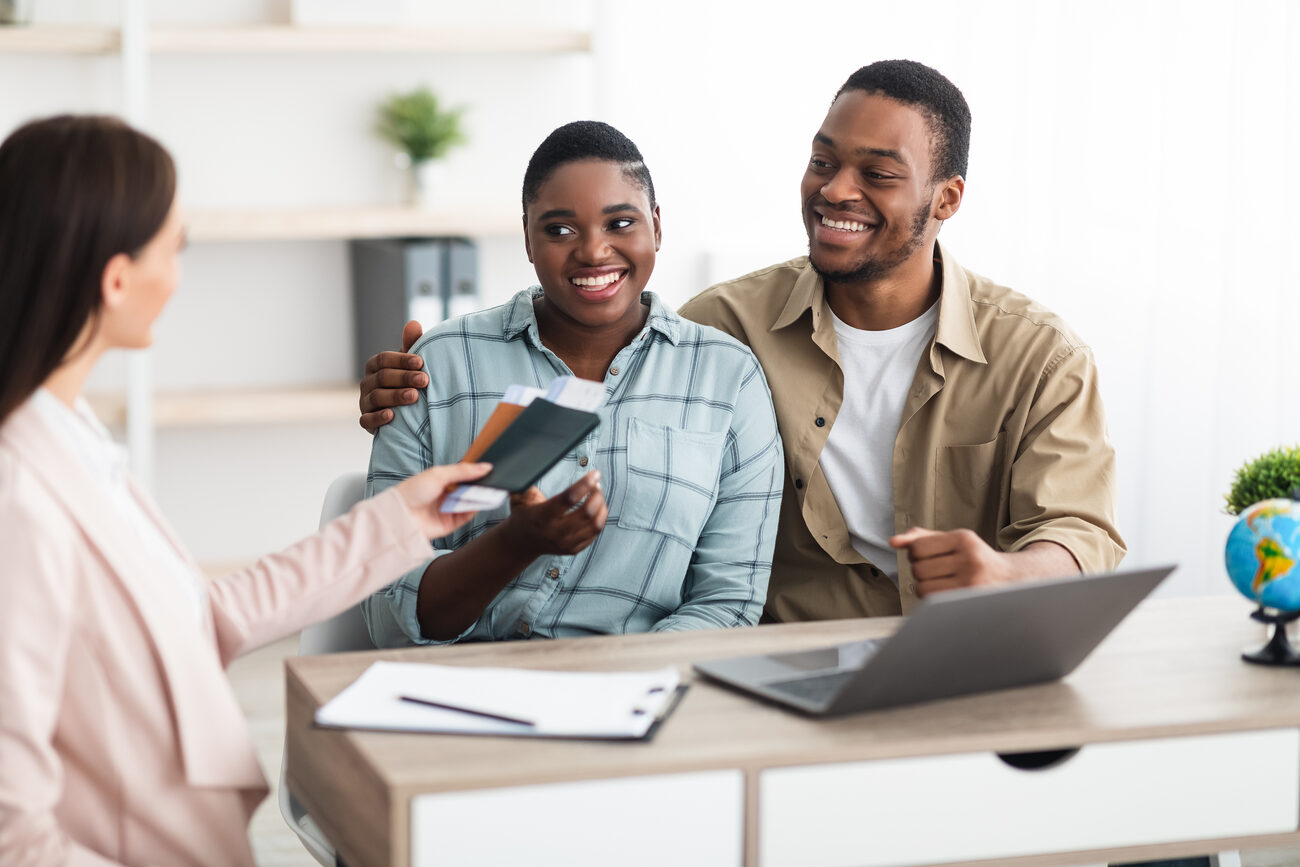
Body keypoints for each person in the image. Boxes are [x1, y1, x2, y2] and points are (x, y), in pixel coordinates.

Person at [359, 61, 1125, 624]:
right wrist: (402, 390)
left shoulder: (1038, 357)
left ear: (946, 199)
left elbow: (1082, 529)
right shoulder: (726, 329)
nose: (835, 189)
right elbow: (616, 356)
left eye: (876, 173)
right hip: (780, 662)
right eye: (823, 161)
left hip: (952, 653)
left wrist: (1009, 573)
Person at [0, 115, 492, 866]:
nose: (181, 271)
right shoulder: (19, 499)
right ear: (117, 278)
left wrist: (407, 512)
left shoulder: (73, 437)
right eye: (177, 246)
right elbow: (16, 834)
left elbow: (203, 619)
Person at [361, 121, 783, 647]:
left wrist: (615, 680)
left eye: (621, 223)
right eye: (560, 230)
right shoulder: (439, 366)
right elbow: (389, 610)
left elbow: (728, 601)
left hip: (648, 689)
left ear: (656, 225)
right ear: (527, 238)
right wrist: (513, 545)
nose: (593, 251)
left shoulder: (729, 378)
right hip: (467, 689)